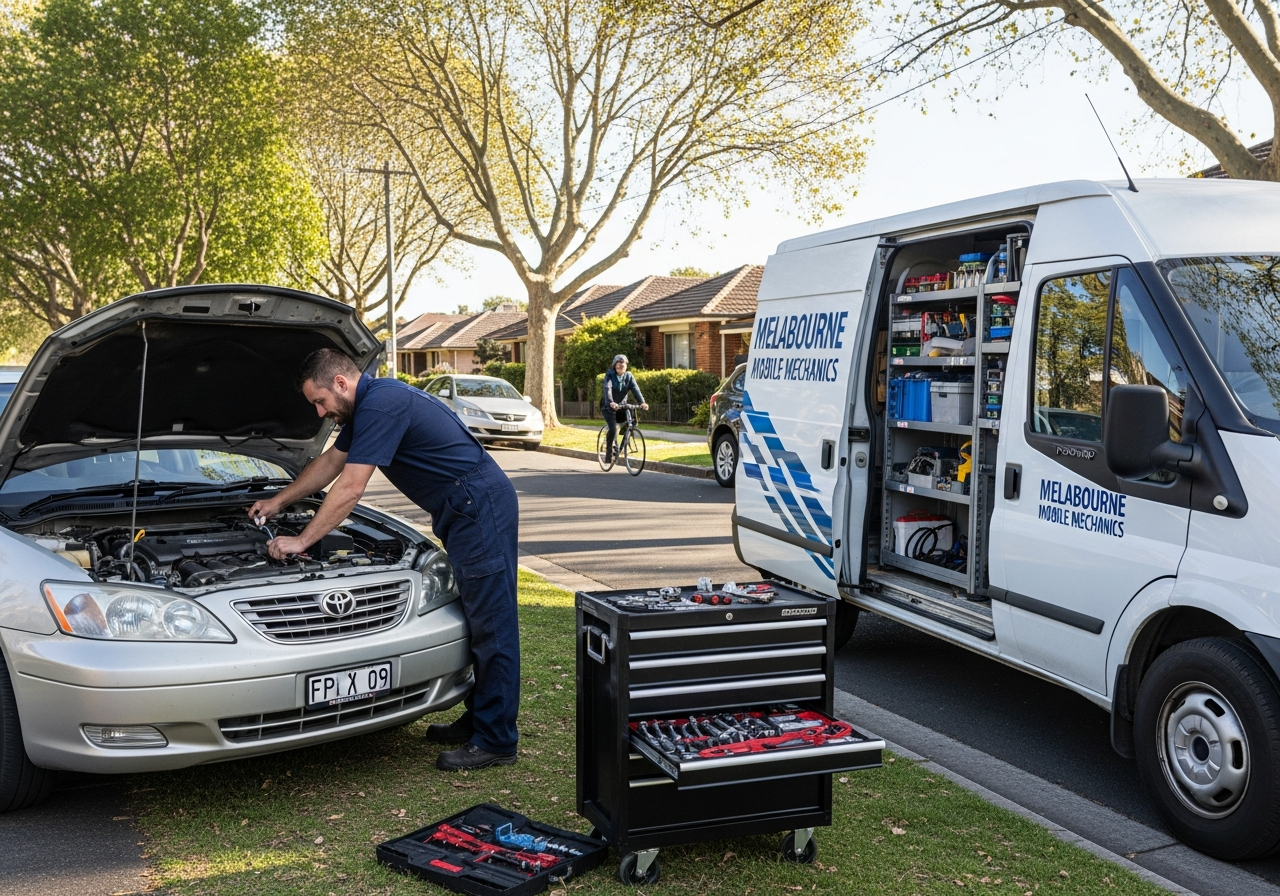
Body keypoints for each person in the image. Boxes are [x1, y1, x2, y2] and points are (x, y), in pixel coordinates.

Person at [247, 348, 520, 771]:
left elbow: (350, 487)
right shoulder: (367, 407)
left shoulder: (381, 405)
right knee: (478, 617)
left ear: (341, 383)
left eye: (320, 400)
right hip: (465, 506)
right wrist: (278, 501)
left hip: (478, 507)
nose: (319, 412)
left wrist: (302, 540)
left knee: (492, 622)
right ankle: (480, 720)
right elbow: (329, 463)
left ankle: (497, 739)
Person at [602, 354, 648, 462]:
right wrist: (611, 402)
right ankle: (608, 454)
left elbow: (635, 389)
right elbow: (607, 389)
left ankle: (621, 445)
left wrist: (642, 402)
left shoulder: (629, 376)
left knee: (632, 422)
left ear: (626, 366)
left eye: (623, 364)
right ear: (614, 365)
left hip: (622, 406)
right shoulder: (610, 374)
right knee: (613, 428)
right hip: (608, 407)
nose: (620, 366)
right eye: (618, 364)